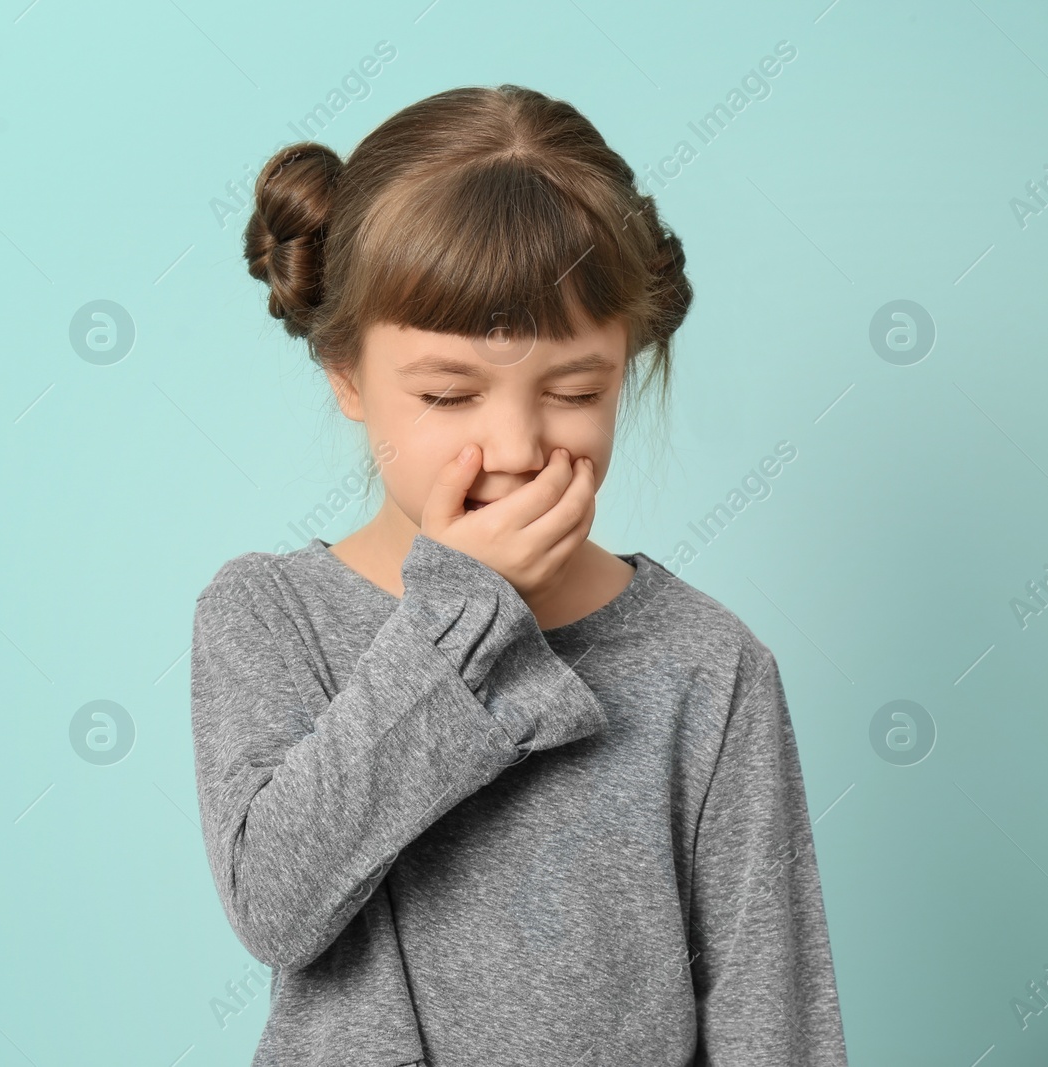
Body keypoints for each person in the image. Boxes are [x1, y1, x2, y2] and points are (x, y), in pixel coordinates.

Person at [189, 84, 848, 1067]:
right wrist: (457, 618)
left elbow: (775, 1016)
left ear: (623, 366)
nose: (515, 445)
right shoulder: (268, 614)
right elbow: (279, 904)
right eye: (449, 393)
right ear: (346, 375)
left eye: (575, 390)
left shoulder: (710, 665)